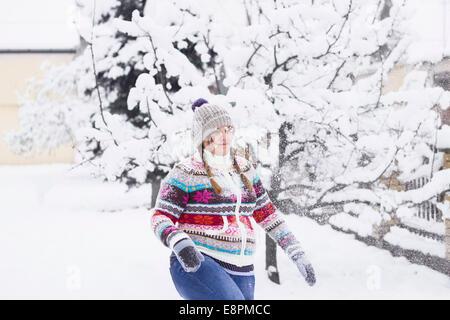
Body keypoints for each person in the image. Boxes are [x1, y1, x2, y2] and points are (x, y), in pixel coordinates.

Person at [150, 98, 316, 300]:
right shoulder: (186, 172)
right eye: (217, 130)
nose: (225, 135)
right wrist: (180, 243)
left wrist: (296, 251)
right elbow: (160, 217)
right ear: (204, 136)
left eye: (228, 129)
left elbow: (268, 215)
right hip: (197, 261)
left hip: (241, 269)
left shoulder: (245, 169)